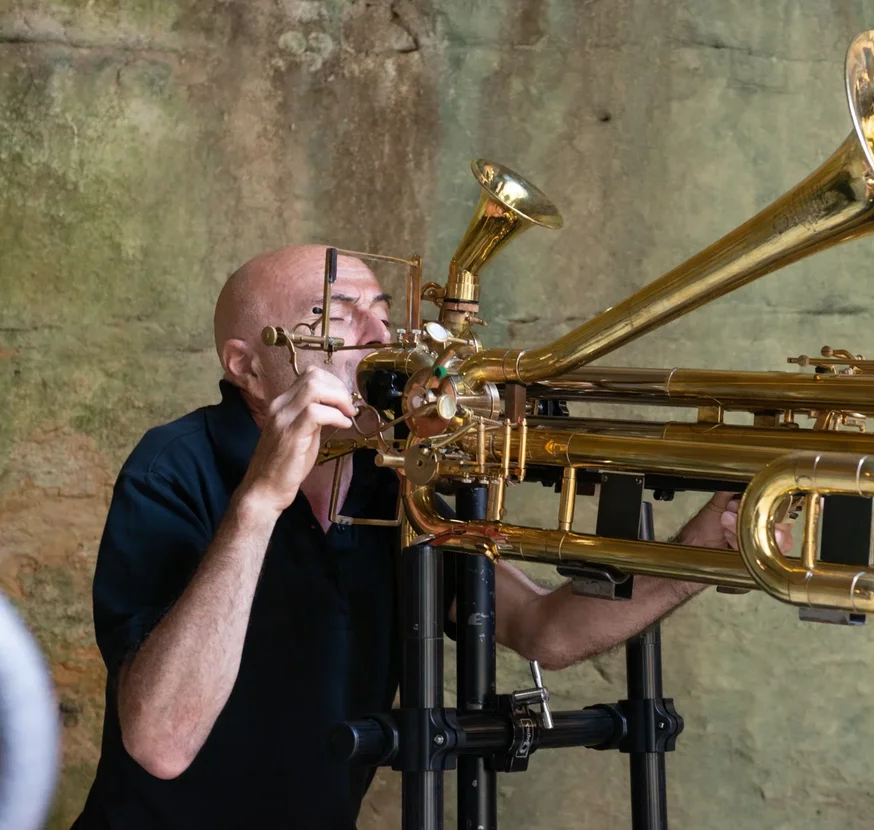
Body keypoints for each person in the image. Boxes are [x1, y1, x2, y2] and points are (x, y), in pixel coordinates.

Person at [71, 245, 788, 830]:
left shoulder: (391, 480)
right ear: (247, 368)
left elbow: (546, 629)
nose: (381, 338)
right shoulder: (174, 465)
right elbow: (160, 742)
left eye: (383, 314)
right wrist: (258, 504)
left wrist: (705, 552)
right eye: (336, 316)